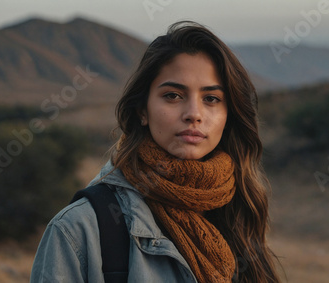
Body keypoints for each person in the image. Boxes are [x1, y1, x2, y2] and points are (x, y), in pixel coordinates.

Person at [30, 21, 281, 283]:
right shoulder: (78, 230)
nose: (194, 114)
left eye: (211, 99)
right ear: (142, 111)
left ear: (228, 114)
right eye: (173, 95)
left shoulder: (241, 209)